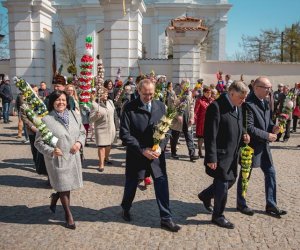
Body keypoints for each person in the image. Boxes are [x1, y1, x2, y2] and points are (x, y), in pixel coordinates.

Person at [119, 79, 181, 232]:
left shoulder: (160, 106)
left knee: (162, 184)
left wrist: (160, 147)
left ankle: (166, 218)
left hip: (156, 156)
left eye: (151, 94)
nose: (148, 97)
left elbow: (167, 130)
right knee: (131, 185)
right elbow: (124, 134)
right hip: (137, 154)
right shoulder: (129, 108)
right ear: (138, 91)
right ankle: (126, 208)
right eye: (145, 94)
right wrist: (142, 150)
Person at [198, 80, 250, 229]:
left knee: (232, 179)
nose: (243, 100)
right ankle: (218, 216)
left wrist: (244, 134)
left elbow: (239, 125)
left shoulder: (238, 106)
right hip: (220, 154)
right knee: (222, 184)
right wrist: (211, 157)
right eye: (241, 97)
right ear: (231, 93)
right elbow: (210, 135)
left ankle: (205, 195)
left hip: (233, 152)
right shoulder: (216, 107)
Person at [236, 76, 287, 218]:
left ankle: (271, 204)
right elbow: (249, 128)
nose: (270, 91)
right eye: (267, 88)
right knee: (246, 175)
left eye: (270, 87)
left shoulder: (265, 102)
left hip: (264, 146)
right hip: (251, 146)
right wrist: (267, 135)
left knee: (271, 173)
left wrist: (274, 128)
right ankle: (241, 203)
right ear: (256, 88)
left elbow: (267, 123)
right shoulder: (248, 104)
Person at [35, 90, 86, 229]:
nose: (61, 102)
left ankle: (55, 197)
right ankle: (68, 215)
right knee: (64, 187)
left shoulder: (74, 115)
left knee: (66, 186)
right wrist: (51, 151)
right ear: (52, 102)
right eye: (57, 100)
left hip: (73, 157)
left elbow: (82, 132)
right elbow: (38, 142)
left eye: (63, 100)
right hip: (57, 159)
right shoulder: (46, 120)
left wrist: (79, 143)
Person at [170, 80, 198, 161]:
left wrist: (192, 117)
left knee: (189, 136)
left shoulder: (189, 93)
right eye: (185, 84)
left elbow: (191, 106)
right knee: (175, 137)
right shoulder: (175, 92)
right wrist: (177, 116)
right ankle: (173, 153)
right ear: (181, 85)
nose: (187, 86)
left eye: (188, 84)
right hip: (177, 118)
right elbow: (171, 106)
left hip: (187, 118)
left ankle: (192, 154)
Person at [90, 87, 116, 172]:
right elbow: (90, 119)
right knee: (101, 146)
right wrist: (96, 116)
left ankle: (106, 158)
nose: (106, 95)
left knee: (108, 146)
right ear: (98, 95)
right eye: (103, 94)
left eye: (106, 93)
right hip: (101, 128)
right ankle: (101, 164)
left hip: (111, 127)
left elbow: (114, 115)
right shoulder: (95, 104)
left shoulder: (110, 102)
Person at [194, 87, 213, 158]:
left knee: (209, 138)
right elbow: (196, 111)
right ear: (204, 93)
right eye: (207, 92)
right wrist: (194, 120)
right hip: (202, 122)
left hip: (210, 122)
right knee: (201, 138)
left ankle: (208, 152)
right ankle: (200, 151)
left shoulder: (212, 101)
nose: (209, 94)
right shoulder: (200, 100)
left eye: (210, 93)